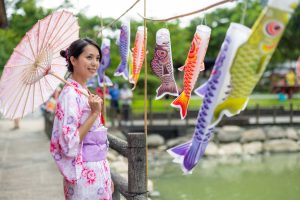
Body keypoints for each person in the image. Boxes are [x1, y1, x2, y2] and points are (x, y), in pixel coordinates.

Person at [50, 38, 113, 200]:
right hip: (84, 173)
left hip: (98, 169)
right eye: (89, 57)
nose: (95, 63)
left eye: (98, 58)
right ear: (73, 60)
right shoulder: (70, 94)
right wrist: (94, 114)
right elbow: (69, 142)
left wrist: (106, 174)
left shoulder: (82, 91)